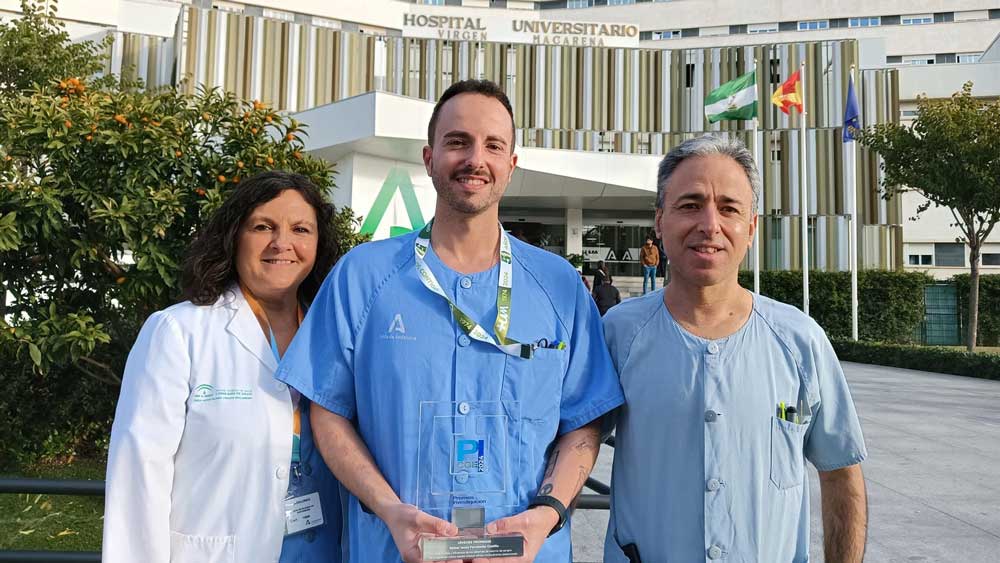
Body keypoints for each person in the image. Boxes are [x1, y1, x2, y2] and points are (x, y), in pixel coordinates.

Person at [276, 79, 624, 563]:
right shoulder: (362, 277)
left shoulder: (560, 287)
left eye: (493, 145)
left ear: (511, 165)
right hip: (391, 550)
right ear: (429, 157)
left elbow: (583, 423)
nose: (474, 158)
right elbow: (328, 412)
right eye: (457, 142)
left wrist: (544, 515)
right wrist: (389, 509)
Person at [602, 136, 868, 563]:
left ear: (752, 227)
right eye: (690, 205)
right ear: (659, 221)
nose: (710, 224)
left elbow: (840, 472)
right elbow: (568, 445)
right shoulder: (617, 334)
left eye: (729, 208)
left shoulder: (800, 340)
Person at [103, 172, 344, 563]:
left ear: (318, 244)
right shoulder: (179, 332)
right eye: (263, 226)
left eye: (301, 229)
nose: (282, 243)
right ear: (234, 236)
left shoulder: (334, 333)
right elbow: (138, 476)